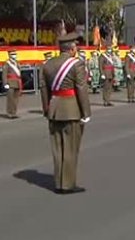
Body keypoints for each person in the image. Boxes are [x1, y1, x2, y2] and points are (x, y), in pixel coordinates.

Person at [39, 32, 91, 194]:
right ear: (72, 49)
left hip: (54, 109)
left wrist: (47, 108)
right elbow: (81, 89)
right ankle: (67, 184)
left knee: (57, 148)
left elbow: (44, 89)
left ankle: (58, 182)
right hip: (71, 109)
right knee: (70, 148)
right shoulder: (76, 64)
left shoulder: (48, 64)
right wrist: (86, 112)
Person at [2, 49, 22, 119]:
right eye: (13, 54)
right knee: (10, 99)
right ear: (9, 55)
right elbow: (4, 74)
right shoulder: (7, 63)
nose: (14, 55)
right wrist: (5, 84)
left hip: (17, 82)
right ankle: (9, 113)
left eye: (15, 54)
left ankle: (14, 112)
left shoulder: (17, 63)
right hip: (10, 83)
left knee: (16, 99)